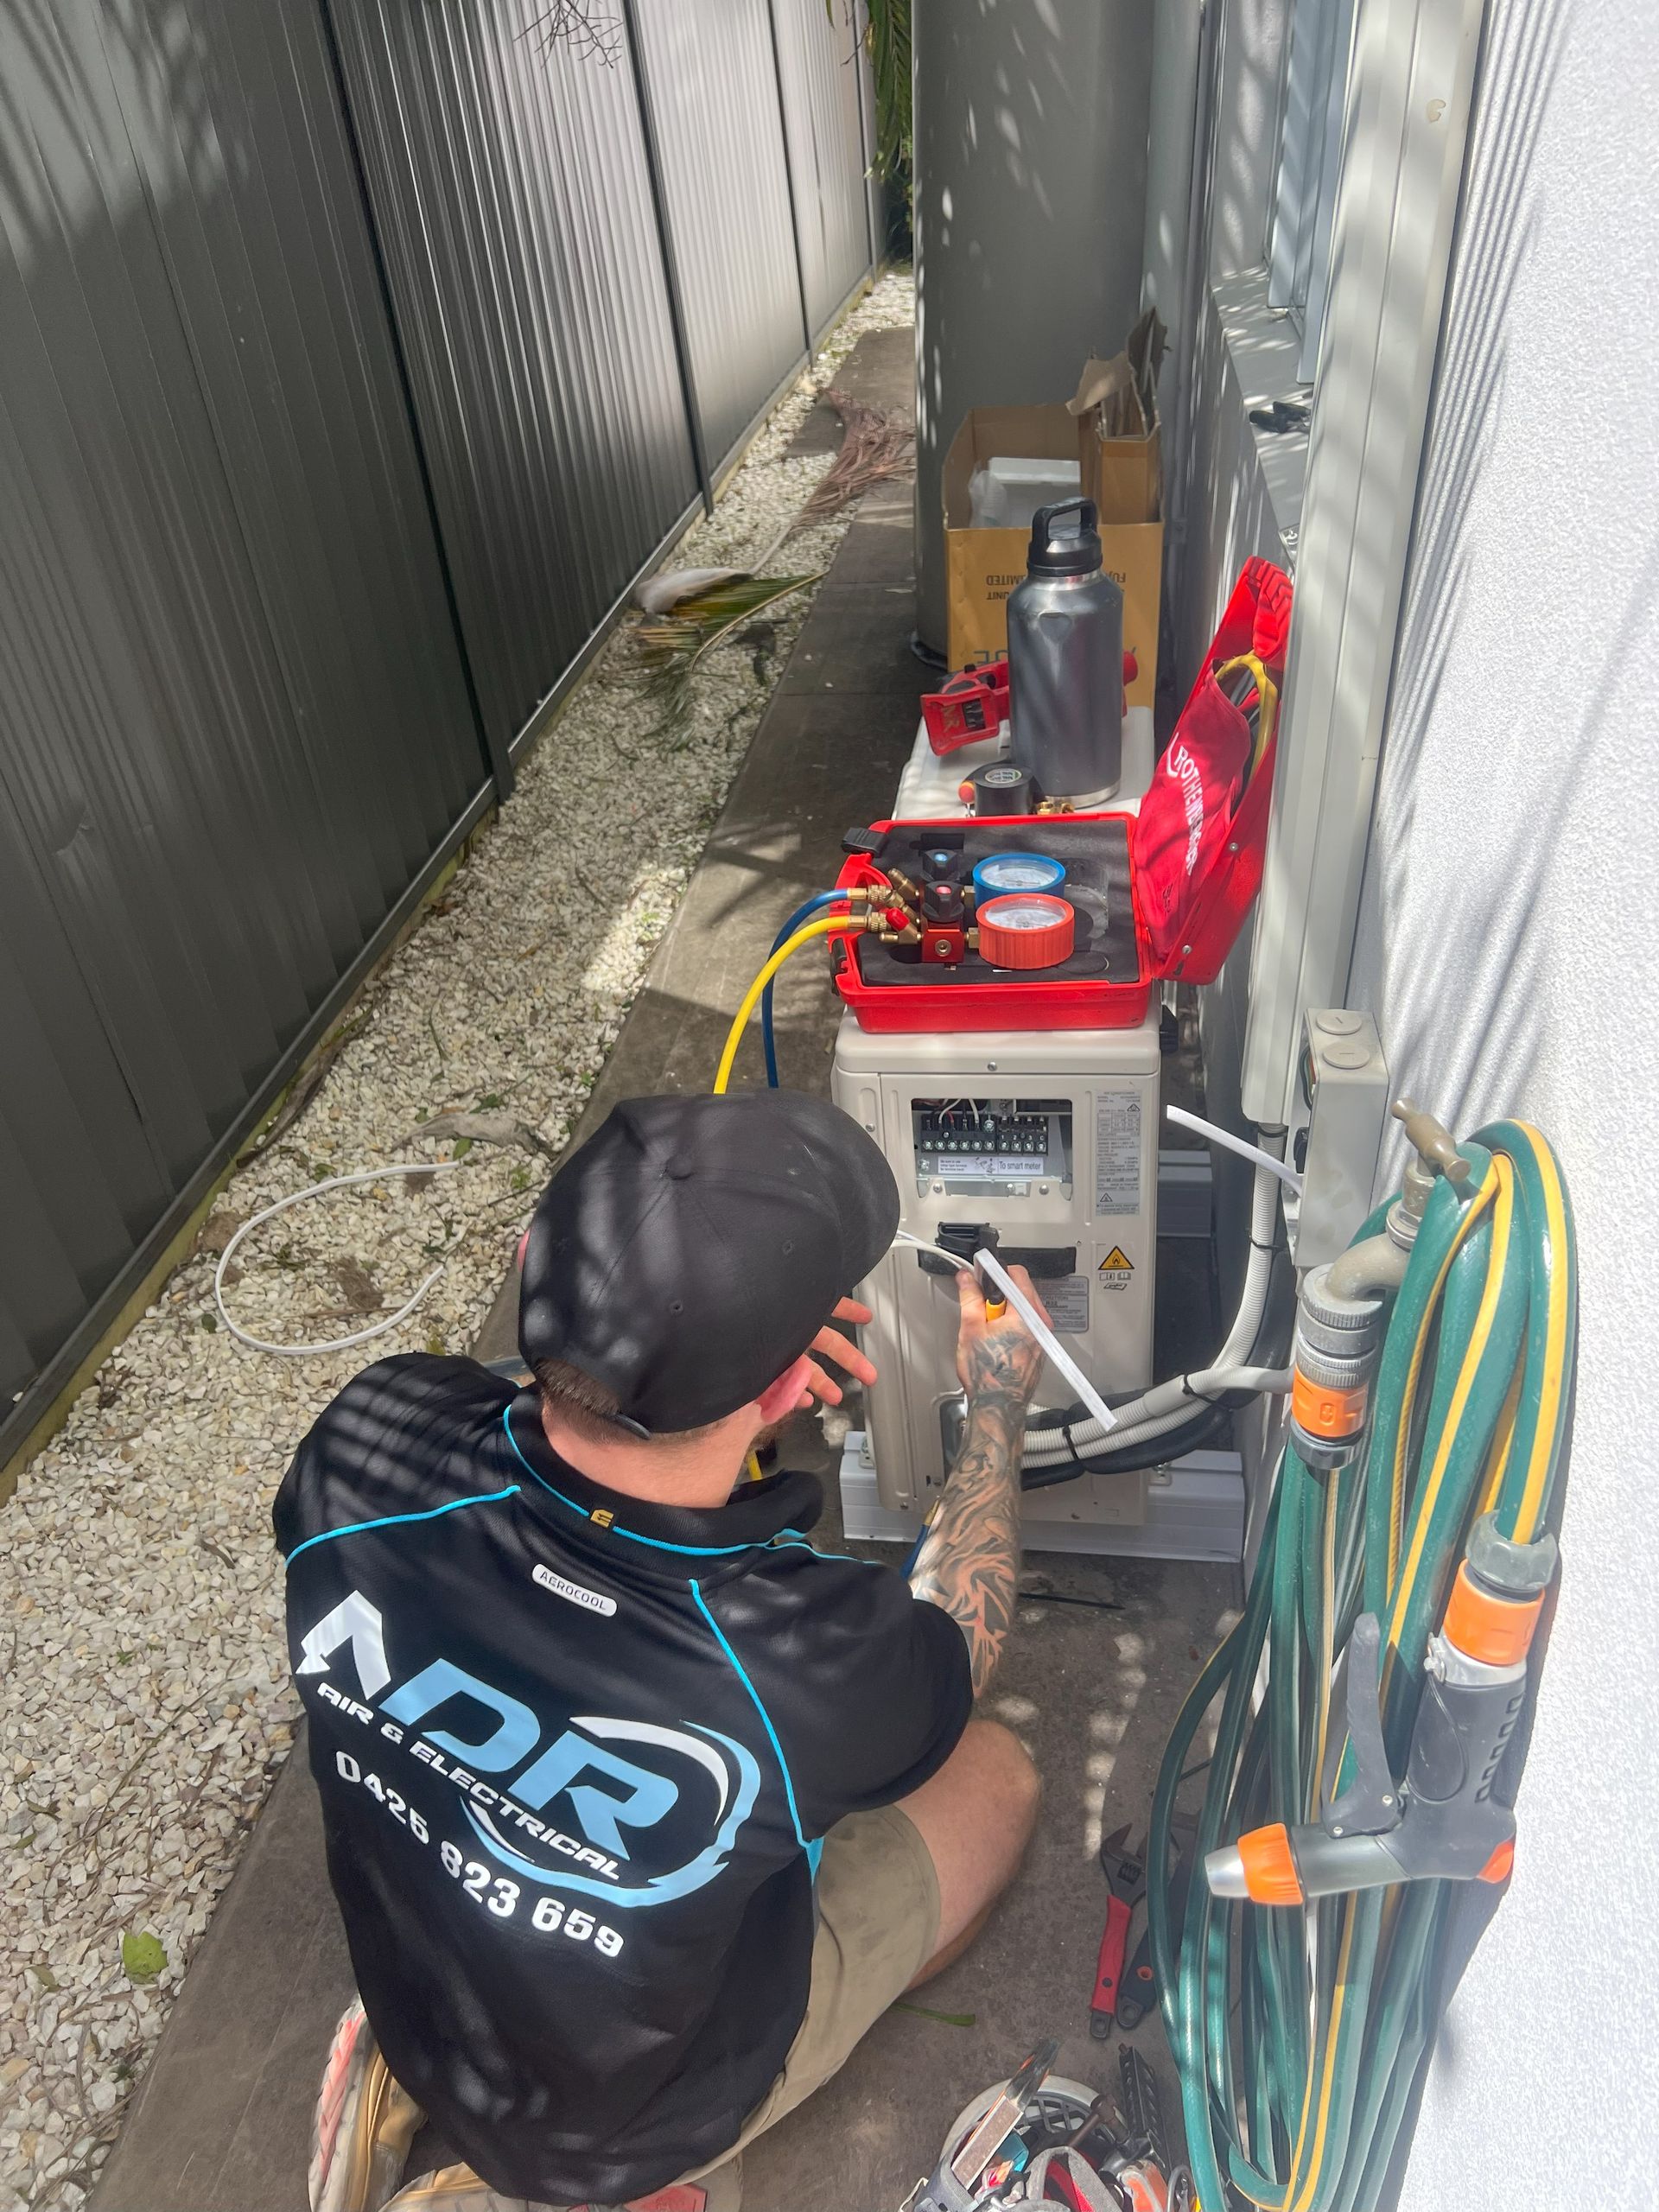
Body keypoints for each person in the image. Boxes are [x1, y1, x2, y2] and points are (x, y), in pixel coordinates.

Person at [277, 1090, 1046, 2212]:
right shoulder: (808, 1663)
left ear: (532, 1262)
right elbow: (959, 1636)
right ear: (791, 1384)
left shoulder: (364, 1444)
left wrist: (710, 1371)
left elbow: (527, 1423)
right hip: (621, 2128)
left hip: (424, 2002)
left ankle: (406, 2079)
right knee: (996, 1779)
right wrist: (998, 1404)